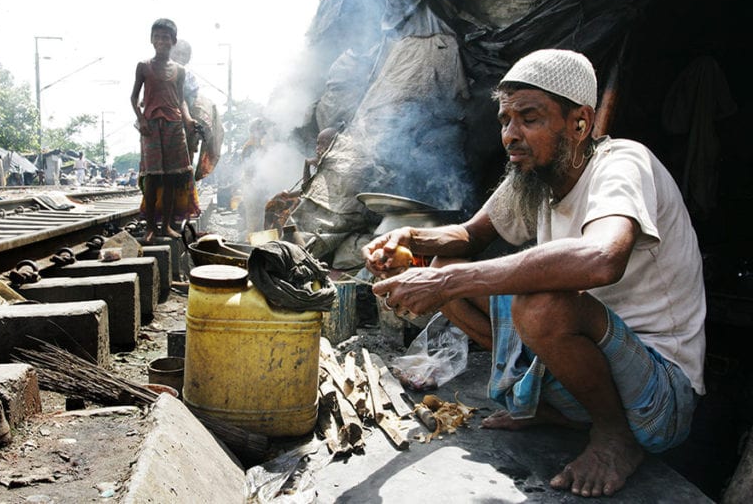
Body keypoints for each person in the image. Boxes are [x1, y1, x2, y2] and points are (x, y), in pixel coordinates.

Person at [362, 49, 705, 498]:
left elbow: (602, 258)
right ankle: (553, 406)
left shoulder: (622, 163)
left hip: (658, 397)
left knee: (539, 303)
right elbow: (469, 237)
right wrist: (410, 239)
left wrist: (445, 282)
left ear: (579, 123)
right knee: (446, 267)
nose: (510, 135)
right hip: (590, 376)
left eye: (529, 118)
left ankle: (614, 437)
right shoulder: (533, 179)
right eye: (505, 120)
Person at [130, 18, 201, 241]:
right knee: (152, 178)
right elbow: (134, 97)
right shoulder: (143, 66)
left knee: (171, 178)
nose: (162, 41)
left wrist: (188, 121)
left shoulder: (179, 71)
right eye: (158, 36)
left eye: (166, 37)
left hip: (174, 126)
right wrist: (141, 120)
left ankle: (167, 226)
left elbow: (181, 101)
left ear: (173, 41)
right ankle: (151, 227)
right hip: (151, 127)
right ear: (152, 40)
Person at [263, 127, 339, 230]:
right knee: (277, 202)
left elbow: (308, 192)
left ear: (335, 144)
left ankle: (288, 236)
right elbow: (307, 189)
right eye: (317, 143)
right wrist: (288, 195)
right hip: (315, 204)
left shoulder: (338, 165)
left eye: (323, 143)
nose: (318, 148)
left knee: (292, 210)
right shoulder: (323, 164)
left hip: (330, 211)